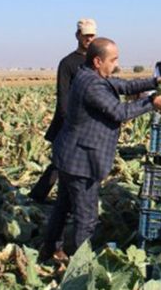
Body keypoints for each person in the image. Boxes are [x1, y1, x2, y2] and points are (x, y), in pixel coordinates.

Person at [39, 37, 161, 260]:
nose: (116, 64)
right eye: (113, 60)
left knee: (63, 207)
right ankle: (82, 266)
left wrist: (155, 82)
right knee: (87, 217)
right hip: (81, 161)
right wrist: (152, 103)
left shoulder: (92, 75)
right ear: (98, 61)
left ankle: (51, 249)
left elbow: (125, 86)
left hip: (71, 154)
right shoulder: (91, 84)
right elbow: (119, 112)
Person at [29, 18, 97, 204]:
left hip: (89, 123)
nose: (89, 39)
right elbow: (63, 97)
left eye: (92, 35)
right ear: (77, 36)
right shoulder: (68, 63)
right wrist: (70, 123)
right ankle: (38, 197)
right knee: (60, 163)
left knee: (78, 164)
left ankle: (67, 199)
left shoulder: (96, 62)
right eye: (86, 36)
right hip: (69, 122)